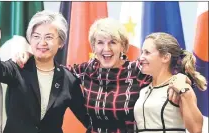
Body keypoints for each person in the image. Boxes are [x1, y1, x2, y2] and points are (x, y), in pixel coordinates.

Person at [14, 17, 191, 132]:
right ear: (93, 47)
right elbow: (54, 70)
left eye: (112, 42)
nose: (106, 49)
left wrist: (181, 77)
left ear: (123, 46)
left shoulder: (138, 70)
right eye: (100, 42)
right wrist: (31, 55)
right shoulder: (87, 70)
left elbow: (167, 69)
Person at [0, 10, 89, 133]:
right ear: (30, 39)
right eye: (36, 36)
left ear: (61, 42)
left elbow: (88, 119)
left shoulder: (69, 79)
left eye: (49, 37)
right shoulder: (19, 66)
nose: (42, 42)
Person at [134, 32, 206, 133]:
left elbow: (196, 129)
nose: (141, 57)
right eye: (142, 52)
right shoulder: (143, 90)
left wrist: (184, 91)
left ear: (165, 57)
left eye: (147, 52)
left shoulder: (180, 87)